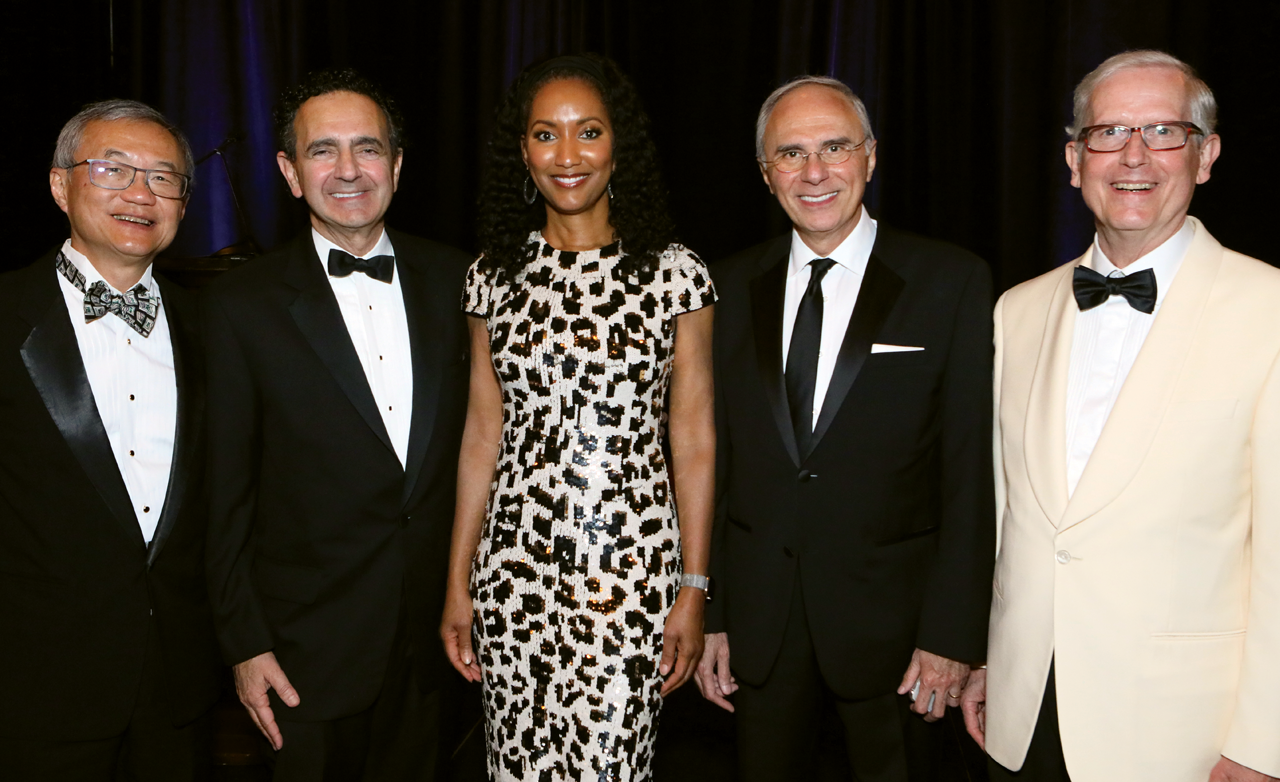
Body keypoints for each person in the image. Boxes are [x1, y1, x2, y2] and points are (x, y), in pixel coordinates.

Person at [963, 50, 1280, 782]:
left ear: (1206, 156)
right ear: (1074, 159)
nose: (1133, 156)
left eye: (1165, 131)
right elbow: (1013, 517)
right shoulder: (1019, 309)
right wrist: (992, 659)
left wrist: (1262, 741)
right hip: (1024, 717)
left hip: (1181, 734)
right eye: (1108, 133)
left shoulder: (1267, 312)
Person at [696, 75, 995, 781]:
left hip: (898, 638)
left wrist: (953, 634)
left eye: (835, 147)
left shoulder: (950, 282)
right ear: (767, 175)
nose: (816, 172)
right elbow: (719, 462)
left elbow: (971, 472)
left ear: (870, 156)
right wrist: (713, 613)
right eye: (791, 154)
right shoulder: (727, 288)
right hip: (760, 632)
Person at [440, 53, 716, 781]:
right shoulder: (491, 277)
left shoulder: (675, 273)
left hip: (630, 582)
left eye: (588, 131)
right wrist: (457, 582)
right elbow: (480, 435)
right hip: (511, 575)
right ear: (521, 150)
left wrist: (694, 586)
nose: (568, 155)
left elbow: (694, 440)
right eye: (545, 134)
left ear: (618, 143)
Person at [203, 68, 471, 780]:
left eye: (368, 148)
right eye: (323, 151)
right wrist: (244, 644)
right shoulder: (239, 309)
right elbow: (223, 497)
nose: (348, 170)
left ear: (398, 165)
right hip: (302, 656)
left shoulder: (464, 284)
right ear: (291, 172)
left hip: (435, 648)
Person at [0, 100, 220, 779]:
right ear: (60, 185)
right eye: (114, 169)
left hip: (179, 692)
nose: (140, 193)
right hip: (34, 690)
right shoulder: (6, 316)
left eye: (163, 177)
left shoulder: (217, 329)